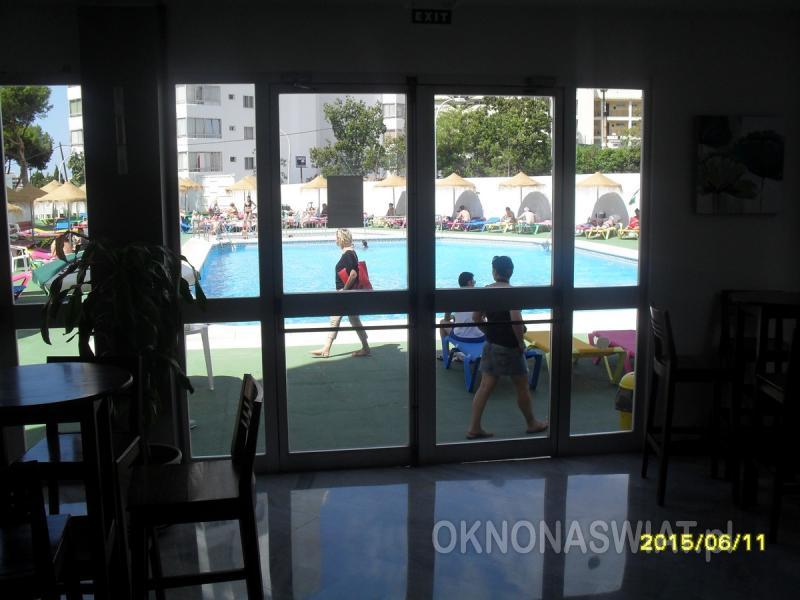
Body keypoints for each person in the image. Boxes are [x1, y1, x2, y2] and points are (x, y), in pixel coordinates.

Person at [466, 255, 548, 439]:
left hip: (490, 344)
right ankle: (532, 423)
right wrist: (520, 343)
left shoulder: (486, 291)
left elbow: (476, 318)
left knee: (484, 386)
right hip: (509, 347)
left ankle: (474, 427)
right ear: (511, 271)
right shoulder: (512, 293)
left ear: (494, 272)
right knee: (522, 386)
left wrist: (488, 331)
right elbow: (516, 321)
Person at [310, 228, 371, 359]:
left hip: (345, 294)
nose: (335, 240)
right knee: (354, 320)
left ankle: (326, 349)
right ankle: (365, 348)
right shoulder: (351, 253)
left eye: (337, 237)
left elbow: (353, 274)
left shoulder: (348, 254)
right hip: (348, 294)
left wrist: (344, 290)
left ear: (341, 239)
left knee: (335, 319)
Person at [439, 272, 484, 355]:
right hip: (481, 337)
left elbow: (446, 318)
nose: (474, 283)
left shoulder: (454, 296)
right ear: (469, 282)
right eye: (474, 281)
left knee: (442, 322)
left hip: (461, 338)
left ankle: (446, 355)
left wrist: (453, 317)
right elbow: (481, 316)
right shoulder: (480, 295)